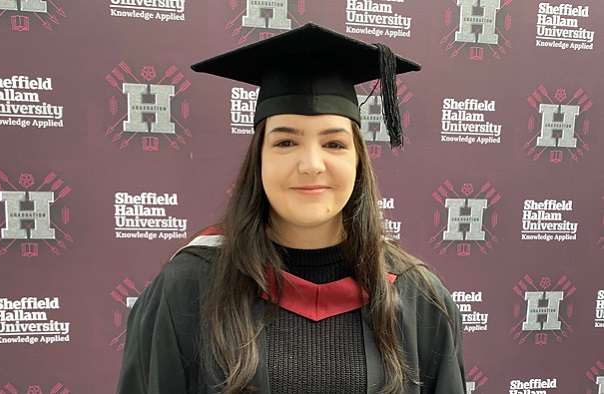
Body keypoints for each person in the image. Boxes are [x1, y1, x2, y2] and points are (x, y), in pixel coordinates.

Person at [116, 22, 466, 394]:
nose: (311, 164)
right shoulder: (189, 288)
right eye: (285, 142)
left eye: (334, 144)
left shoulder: (418, 297)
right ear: (259, 158)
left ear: (359, 161)